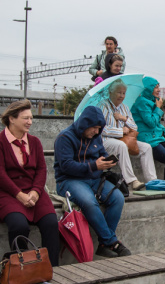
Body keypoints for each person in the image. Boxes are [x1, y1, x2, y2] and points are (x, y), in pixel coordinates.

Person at [0, 100, 60, 266]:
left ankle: (52, 268)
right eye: (25, 118)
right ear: (12, 119)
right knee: (19, 225)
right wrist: (19, 195)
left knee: (51, 223)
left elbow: (41, 169)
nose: (30, 122)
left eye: (31, 118)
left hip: (33, 190)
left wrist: (35, 192)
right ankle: (23, 269)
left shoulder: (35, 142)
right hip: (7, 192)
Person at [54, 106, 131, 258]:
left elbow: (102, 153)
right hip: (69, 180)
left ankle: (103, 244)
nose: (96, 132)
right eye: (94, 128)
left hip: (94, 179)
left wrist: (107, 162)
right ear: (85, 124)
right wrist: (94, 166)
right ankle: (110, 241)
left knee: (118, 198)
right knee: (89, 202)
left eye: (99, 129)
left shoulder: (96, 137)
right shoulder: (65, 137)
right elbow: (66, 166)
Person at [99, 79, 158, 190]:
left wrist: (123, 118)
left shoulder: (124, 107)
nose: (122, 96)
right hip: (106, 141)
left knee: (146, 147)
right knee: (121, 146)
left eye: (123, 93)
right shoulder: (103, 106)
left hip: (124, 139)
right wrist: (120, 131)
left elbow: (134, 127)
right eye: (119, 92)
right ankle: (132, 180)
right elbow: (102, 129)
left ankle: (152, 181)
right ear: (111, 92)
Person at [131, 77, 165, 182]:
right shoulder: (141, 102)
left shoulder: (152, 101)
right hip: (147, 138)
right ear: (148, 89)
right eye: (155, 87)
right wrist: (158, 108)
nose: (158, 90)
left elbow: (157, 124)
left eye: (158, 87)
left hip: (156, 137)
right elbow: (151, 122)